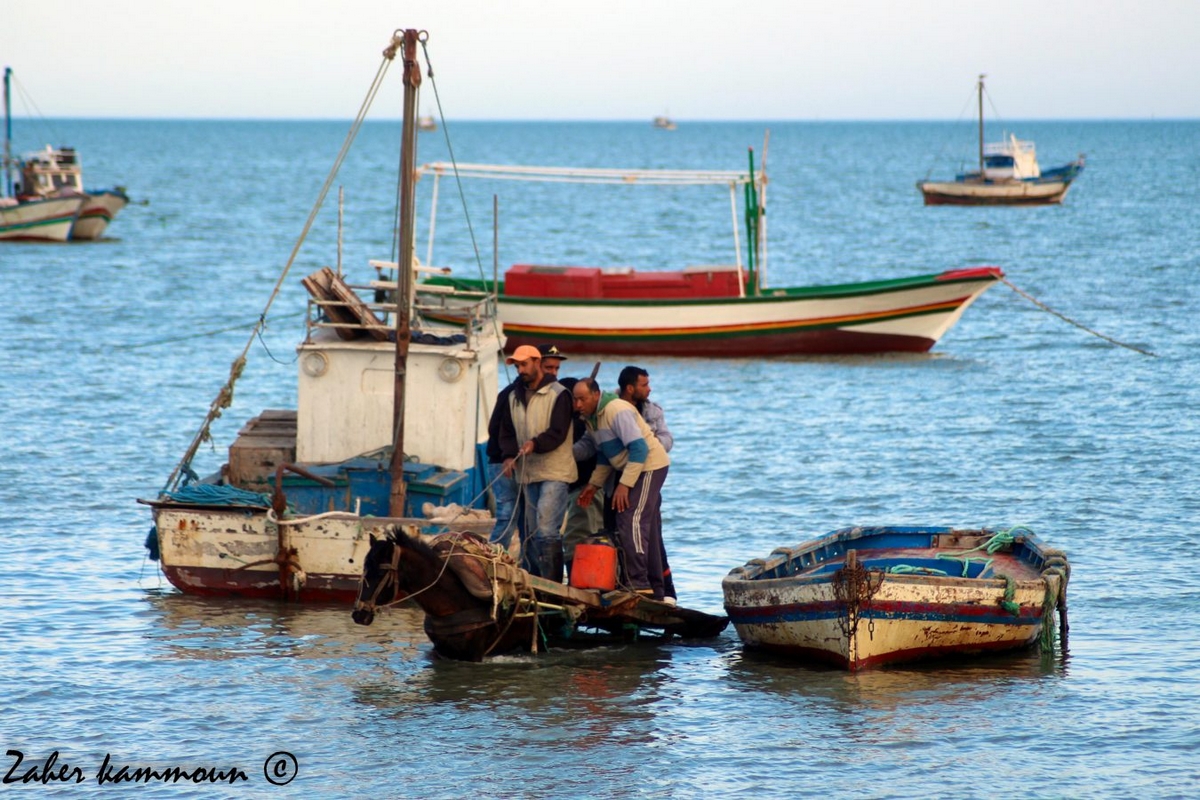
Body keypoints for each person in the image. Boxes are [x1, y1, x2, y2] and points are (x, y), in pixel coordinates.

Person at [572, 378, 671, 599]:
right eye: (575, 399)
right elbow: (606, 455)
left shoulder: (615, 410)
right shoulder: (592, 418)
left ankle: (639, 583)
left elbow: (639, 449)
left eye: (583, 399)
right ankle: (655, 587)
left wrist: (624, 485)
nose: (578, 404)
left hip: (650, 466)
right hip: (634, 468)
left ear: (596, 395)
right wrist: (593, 485)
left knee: (631, 519)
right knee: (644, 528)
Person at [498, 345, 576, 582]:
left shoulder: (559, 393)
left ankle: (552, 586)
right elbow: (506, 431)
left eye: (524, 364)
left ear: (536, 362)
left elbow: (558, 431)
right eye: (517, 366)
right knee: (530, 532)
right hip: (527, 473)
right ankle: (532, 581)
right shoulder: (513, 396)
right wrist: (508, 456)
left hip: (555, 471)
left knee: (546, 529)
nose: (520, 370)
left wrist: (535, 443)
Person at [617, 366, 676, 602]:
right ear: (630, 388)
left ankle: (659, 589)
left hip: (648, 475)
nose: (649, 389)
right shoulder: (617, 409)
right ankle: (636, 583)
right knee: (632, 529)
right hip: (624, 476)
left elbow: (667, 439)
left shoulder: (653, 410)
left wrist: (648, 444)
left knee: (648, 531)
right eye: (644, 385)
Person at [484, 375, 523, 553]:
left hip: (512, 461)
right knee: (508, 513)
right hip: (503, 462)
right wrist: (508, 454)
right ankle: (492, 555)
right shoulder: (512, 395)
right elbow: (495, 428)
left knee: (516, 515)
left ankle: (524, 563)